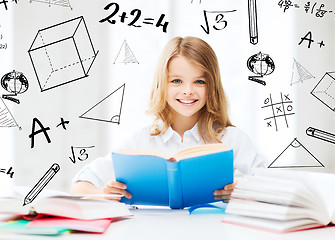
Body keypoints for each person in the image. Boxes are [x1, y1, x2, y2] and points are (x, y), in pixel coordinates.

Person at [70, 36, 267, 203]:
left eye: (199, 81)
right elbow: (80, 185)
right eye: (176, 81)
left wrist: (244, 193)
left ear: (212, 87)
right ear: (162, 84)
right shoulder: (141, 141)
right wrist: (103, 197)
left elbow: (272, 188)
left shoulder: (233, 139)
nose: (188, 90)